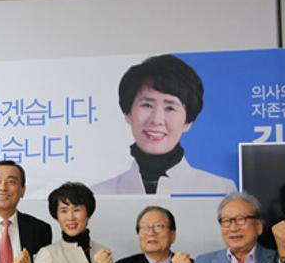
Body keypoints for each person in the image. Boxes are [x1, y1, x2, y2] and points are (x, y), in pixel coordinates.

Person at [93, 54, 236, 196]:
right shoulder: (100, 193)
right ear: (128, 113)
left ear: (188, 122)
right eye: (147, 105)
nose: (157, 120)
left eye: (170, 108)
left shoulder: (220, 190)